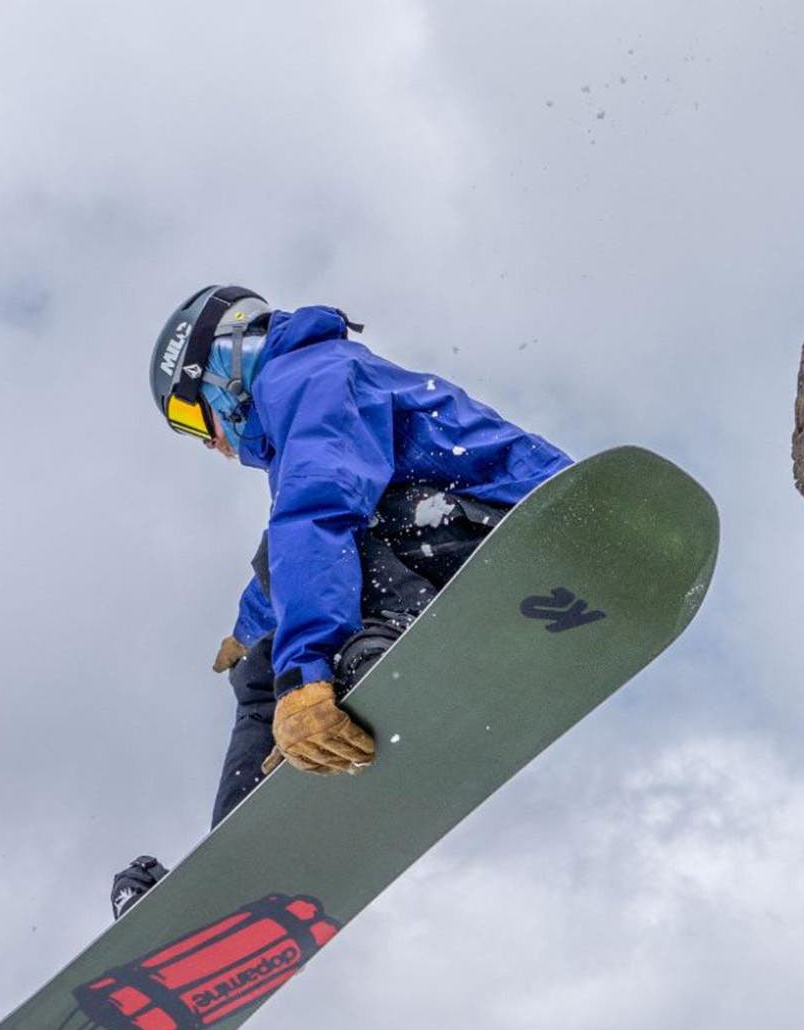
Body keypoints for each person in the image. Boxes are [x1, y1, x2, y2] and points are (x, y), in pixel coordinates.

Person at [112, 285, 573, 918]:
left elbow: (321, 510)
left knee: (319, 567)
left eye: (194, 420)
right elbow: (292, 549)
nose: (210, 444)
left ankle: (390, 645)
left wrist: (309, 672)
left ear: (222, 370)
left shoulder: (309, 373)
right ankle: (231, 863)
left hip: (526, 534)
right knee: (260, 673)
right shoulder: (299, 398)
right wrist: (253, 636)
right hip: (445, 542)